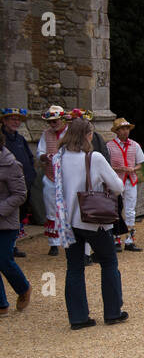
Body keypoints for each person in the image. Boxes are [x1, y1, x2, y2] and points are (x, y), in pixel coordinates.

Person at [50, 117, 127, 329]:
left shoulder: (60, 157)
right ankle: (112, 311)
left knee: (74, 268)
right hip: (94, 220)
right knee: (109, 262)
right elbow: (118, 186)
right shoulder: (95, 158)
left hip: (69, 222)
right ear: (87, 135)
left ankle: (78, 318)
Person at [107, 118, 144, 252]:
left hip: (131, 179)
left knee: (130, 210)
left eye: (127, 128)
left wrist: (133, 169)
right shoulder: (109, 146)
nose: (125, 131)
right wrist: (119, 169)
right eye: (123, 129)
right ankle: (116, 239)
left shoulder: (135, 145)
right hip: (116, 180)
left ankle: (130, 240)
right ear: (116, 131)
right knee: (116, 209)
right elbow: (106, 165)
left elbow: (140, 163)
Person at [2, 107, 39, 253]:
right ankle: (9, 247)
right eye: (12, 119)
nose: (16, 122)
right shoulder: (2, 139)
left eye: (18, 119)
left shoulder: (20, 139)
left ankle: (13, 244)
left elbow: (30, 158)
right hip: (7, 187)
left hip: (24, 184)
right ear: (4, 121)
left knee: (21, 215)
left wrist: (31, 175)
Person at [0, 144, 31, 316]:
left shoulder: (10, 164)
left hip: (6, 222)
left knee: (3, 260)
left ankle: (23, 288)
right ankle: (2, 304)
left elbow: (20, 194)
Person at [37, 106, 69, 256]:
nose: (53, 124)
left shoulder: (70, 133)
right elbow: (40, 153)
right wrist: (45, 157)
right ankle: (54, 243)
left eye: (55, 121)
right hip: (50, 176)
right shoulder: (46, 134)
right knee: (51, 210)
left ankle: (70, 239)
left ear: (62, 120)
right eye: (50, 122)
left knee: (69, 208)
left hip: (68, 176)